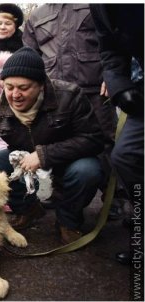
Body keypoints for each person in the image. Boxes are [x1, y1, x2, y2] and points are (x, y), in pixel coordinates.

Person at [0, 47, 105, 244]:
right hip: (22, 159)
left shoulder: (69, 96)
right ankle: (28, 209)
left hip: (68, 158)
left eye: (23, 88)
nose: (15, 95)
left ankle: (68, 221)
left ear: (41, 85)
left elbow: (93, 139)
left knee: (88, 170)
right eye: (9, 87)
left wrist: (44, 155)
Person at [22, 4, 122, 216]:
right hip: (56, 94)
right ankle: (60, 193)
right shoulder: (37, 15)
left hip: (95, 88)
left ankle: (114, 198)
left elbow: (115, 41)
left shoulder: (96, 6)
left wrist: (113, 75)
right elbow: (30, 55)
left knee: (107, 141)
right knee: (58, 141)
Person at [90, 4, 144, 265]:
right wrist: (119, 85)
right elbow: (109, 48)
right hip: (140, 86)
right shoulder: (99, 6)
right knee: (125, 156)